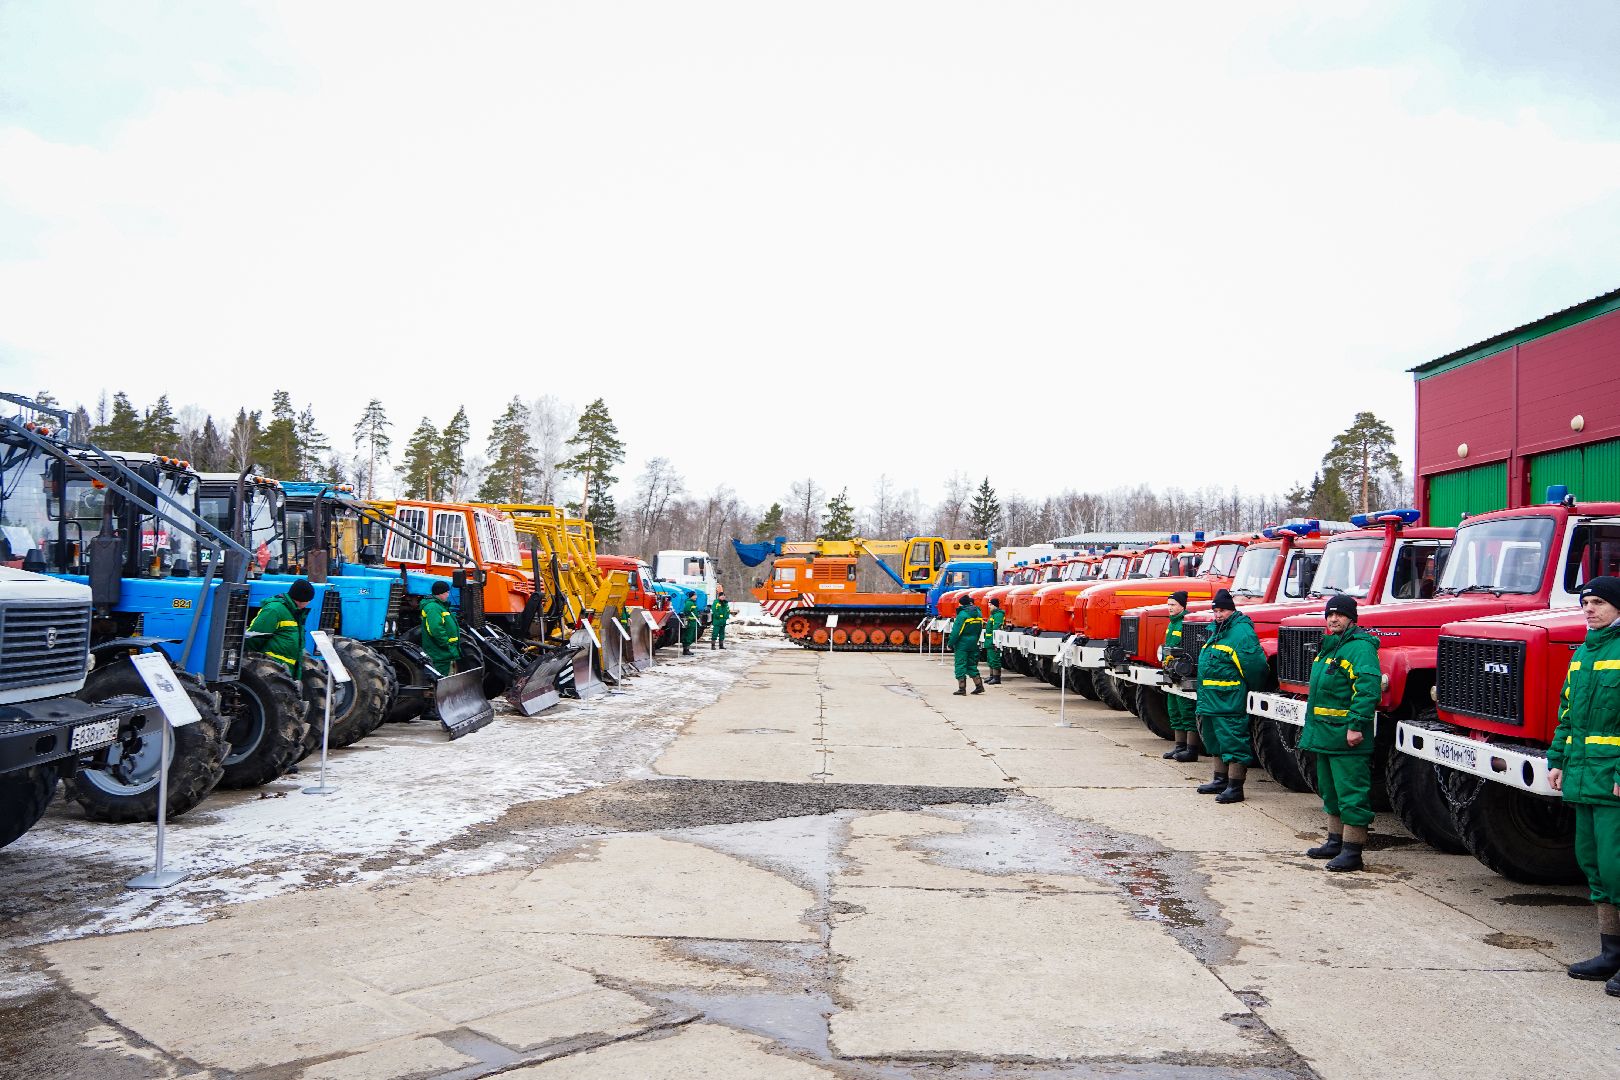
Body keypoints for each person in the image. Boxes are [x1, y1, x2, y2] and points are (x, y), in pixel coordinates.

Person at [1549, 576, 1620, 994]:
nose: (1589, 609)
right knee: (1594, 866)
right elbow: (1568, 716)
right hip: (1582, 776)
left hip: (1611, 780)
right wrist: (1557, 761)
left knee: (1617, 867)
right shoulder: (1583, 656)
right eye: (1585, 603)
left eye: (1597, 602)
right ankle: (1611, 953)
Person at [1298, 594, 1381, 872]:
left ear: (1352, 618)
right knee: (1330, 791)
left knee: (1351, 793)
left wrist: (1356, 725)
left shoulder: (1359, 649)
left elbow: (1367, 689)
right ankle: (1335, 841)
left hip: (1347, 737)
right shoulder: (1330, 647)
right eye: (1330, 614)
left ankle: (1353, 851)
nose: (1333, 619)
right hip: (1325, 735)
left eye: (1340, 615)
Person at [1195, 588, 1267, 802]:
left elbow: (1255, 668)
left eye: (1222, 611)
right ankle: (1220, 780)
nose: (1218, 615)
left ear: (1232, 611)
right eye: (1215, 610)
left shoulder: (1240, 633)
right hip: (1211, 700)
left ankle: (1236, 787)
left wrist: (1250, 690)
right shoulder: (1218, 631)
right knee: (1214, 740)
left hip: (1229, 700)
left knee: (1233, 741)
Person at [246, 577, 313, 679]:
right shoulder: (274, 610)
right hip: (270, 671)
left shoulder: (295, 613)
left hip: (285, 671)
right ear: (304, 600)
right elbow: (255, 637)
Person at [1162, 591, 1200, 762]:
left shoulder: (1185, 623)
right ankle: (1179, 747)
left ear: (1182, 606)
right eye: (1168, 604)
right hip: (1172, 671)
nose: (1170, 608)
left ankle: (1191, 749)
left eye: (1173, 605)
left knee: (1186, 710)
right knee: (1174, 709)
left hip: (1182, 672)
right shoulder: (1172, 624)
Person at [420, 579, 462, 675]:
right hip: (440, 654)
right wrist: (447, 644)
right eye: (446, 592)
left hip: (445, 653)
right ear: (440, 593)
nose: (448, 595)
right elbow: (435, 629)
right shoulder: (433, 608)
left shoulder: (440, 606)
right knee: (442, 678)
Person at [947, 594, 986, 696]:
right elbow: (979, 629)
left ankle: (962, 688)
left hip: (962, 644)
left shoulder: (962, 615)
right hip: (973, 643)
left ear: (961, 604)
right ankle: (979, 686)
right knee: (972, 664)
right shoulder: (978, 613)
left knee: (960, 664)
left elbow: (956, 632)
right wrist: (975, 640)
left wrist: (950, 643)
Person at [983, 597, 1004, 685]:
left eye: (991, 605)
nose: (989, 606)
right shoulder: (993, 614)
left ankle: (996, 678)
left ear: (995, 605)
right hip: (989, 640)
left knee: (995, 659)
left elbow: (996, 628)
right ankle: (992, 676)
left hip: (993, 641)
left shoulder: (998, 615)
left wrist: (994, 641)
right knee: (990, 659)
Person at [681, 590, 700, 655]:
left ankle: (687, 649)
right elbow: (686, 611)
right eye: (694, 595)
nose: (696, 597)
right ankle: (686, 650)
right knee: (688, 635)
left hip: (694, 621)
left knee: (692, 635)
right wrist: (689, 617)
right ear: (691, 596)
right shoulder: (689, 603)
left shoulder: (693, 603)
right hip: (690, 622)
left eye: (696, 595)